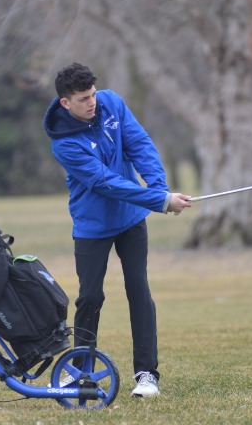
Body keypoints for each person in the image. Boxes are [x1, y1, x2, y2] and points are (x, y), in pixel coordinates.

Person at [43, 62, 192, 398]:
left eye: (93, 94)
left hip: (131, 219)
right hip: (92, 225)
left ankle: (147, 375)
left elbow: (140, 145)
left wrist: (159, 189)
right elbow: (105, 183)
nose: (92, 102)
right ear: (66, 103)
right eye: (83, 99)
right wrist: (159, 200)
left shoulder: (111, 103)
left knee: (138, 289)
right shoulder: (64, 143)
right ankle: (81, 371)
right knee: (90, 296)